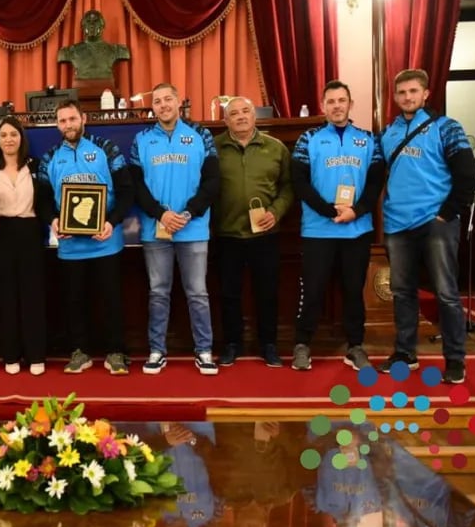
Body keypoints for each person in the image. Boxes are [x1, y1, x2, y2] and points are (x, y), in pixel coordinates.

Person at [379, 68, 475, 384]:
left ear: (425, 94)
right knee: (402, 291)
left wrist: (448, 213)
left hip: (436, 222)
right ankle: (405, 353)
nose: (407, 97)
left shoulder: (447, 128)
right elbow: (376, 175)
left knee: (447, 293)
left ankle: (455, 359)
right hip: (397, 224)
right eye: (402, 93)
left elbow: (466, 174)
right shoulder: (389, 132)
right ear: (395, 97)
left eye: (413, 91)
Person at [290, 81, 385, 372]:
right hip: (319, 229)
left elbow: (375, 182)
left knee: (353, 290)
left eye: (341, 100)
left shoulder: (369, 139)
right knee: (314, 289)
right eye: (330, 101)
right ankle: (302, 344)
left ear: (350, 104)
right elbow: (299, 182)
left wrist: (355, 211)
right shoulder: (309, 139)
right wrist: (329, 211)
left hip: (357, 229)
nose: (336, 106)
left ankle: (355, 346)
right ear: (323, 106)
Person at [36, 100, 134, 374]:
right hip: (70, 247)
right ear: (57, 125)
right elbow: (43, 199)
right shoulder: (50, 157)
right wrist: (54, 220)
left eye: (72, 119)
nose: (68, 125)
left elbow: (126, 191)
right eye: (62, 121)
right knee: (74, 301)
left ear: (83, 119)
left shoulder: (107, 149)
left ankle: (116, 351)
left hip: (106, 243)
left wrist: (111, 222)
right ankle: (80, 352)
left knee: (111, 299)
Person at [130, 83, 220, 376]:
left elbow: (212, 182)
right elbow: (137, 186)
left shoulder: (201, 135)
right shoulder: (141, 139)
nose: (163, 105)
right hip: (156, 230)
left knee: (197, 293)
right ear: (152, 107)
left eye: (168, 99)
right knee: (158, 292)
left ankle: (204, 351)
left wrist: (187, 212)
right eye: (157, 101)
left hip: (193, 228)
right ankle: (157, 350)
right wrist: (161, 214)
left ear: (178, 102)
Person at [213, 97, 293, 368]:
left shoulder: (276, 148)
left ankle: (268, 344)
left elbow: (289, 187)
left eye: (245, 111)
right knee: (228, 294)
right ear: (226, 121)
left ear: (254, 115)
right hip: (227, 234)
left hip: (265, 235)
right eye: (233, 114)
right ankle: (232, 344)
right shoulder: (214, 148)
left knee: (267, 292)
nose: (240, 117)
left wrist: (277, 211)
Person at [0, 116, 47, 376]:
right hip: (1, 235)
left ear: (22, 138)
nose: (9, 139)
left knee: (33, 296)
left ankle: (36, 354)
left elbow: (45, 201)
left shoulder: (36, 166)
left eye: (13, 134)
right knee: (6, 296)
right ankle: (10, 354)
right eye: (3, 135)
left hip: (30, 233)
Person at [57, 9, 131, 81]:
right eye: (88, 22)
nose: (92, 25)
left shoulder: (118, 51)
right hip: (81, 88)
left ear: (102, 26)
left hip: (106, 88)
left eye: (96, 22)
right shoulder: (68, 52)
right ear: (83, 26)